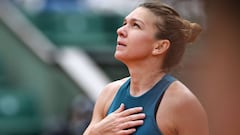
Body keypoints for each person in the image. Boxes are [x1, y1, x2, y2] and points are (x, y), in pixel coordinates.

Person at [83, 1, 209, 135]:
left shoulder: (183, 104)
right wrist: (97, 132)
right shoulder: (108, 94)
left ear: (159, 46)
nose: (120, 31)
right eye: (125, 23)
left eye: (135, 25)